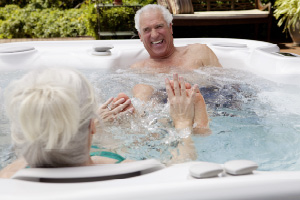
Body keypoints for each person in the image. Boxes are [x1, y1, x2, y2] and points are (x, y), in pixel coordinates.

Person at [0, 68, 197, 178]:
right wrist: (182, 122)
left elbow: (47, 151)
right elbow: (182, 171)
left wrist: (92, 125)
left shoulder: (10, 176)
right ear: (91, 125)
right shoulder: (127, 171)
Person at [131, 4, 222, 72]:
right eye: (147, 30)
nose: (154, 35)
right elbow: (139, 98)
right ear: (140, 36)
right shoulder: (138, 70)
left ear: (170, 28)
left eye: (159, 26)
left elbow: (226, 88)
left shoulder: (199, 52)